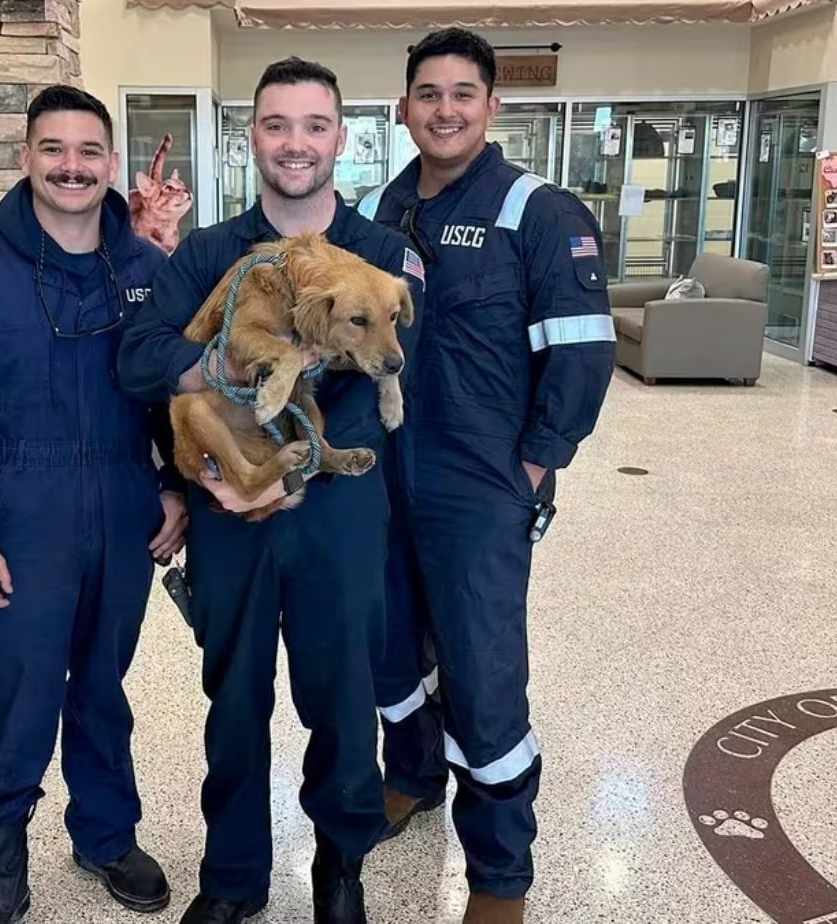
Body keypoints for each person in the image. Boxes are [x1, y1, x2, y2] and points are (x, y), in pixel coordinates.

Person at [118, 58, 424, 924]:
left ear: (342, 137)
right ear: (252, 136)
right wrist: (208, 461)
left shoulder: (382, 259)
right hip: (233, 509)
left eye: (315, 125)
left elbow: (408, 374)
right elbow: (139, 357)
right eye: (277, 125)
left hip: (342, 511)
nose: (296, 143)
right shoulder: (220, 255)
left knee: (344, 699)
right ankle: (234, 879)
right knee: (236, 702)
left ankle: (341, 871)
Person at [356, 28, 615, 924]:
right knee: (388, 648)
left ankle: (500, 871)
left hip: (481, 485)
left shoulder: (536, 212)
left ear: (493, 106)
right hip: (386, 476)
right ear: (403, 109)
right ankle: (413, 776)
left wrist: (538, 462)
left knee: (482, 668)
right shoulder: (382, 212)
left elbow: (583, 352)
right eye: (428, 94)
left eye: (463, 93)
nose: (445, 109)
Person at [0, 85, 188, 924]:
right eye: (53, 149)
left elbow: (169, 396)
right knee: (19, 686)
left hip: (120, 498)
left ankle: (106, 835)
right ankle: (0, 850)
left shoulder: (145, 270)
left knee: (103, 684)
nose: (72, 167)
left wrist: (173, 483)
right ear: (26, 157)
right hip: (18, 510)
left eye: (88, 152)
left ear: (109, 163)